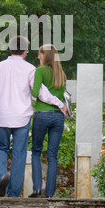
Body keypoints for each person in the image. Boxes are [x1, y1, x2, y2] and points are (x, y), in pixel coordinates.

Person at [0, 36, 67, 197]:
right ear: (25, 51)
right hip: (22, 117)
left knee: (1, 148)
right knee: (19, 154)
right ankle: (14, 194)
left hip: (3, 115)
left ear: (10, 49)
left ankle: (2, 174)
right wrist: (60, 104)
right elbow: (42, 93)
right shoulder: (30, 69)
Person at [30, 44, 66, 198]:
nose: (38, 57)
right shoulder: (61, 74)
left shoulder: (40, 71)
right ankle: (50, 194)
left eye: (40, 54)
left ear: (46, 56)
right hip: (58, 117)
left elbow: (35, 93)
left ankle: (37, 188)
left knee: (36, 152)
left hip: (42, 115)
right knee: (52, 155)